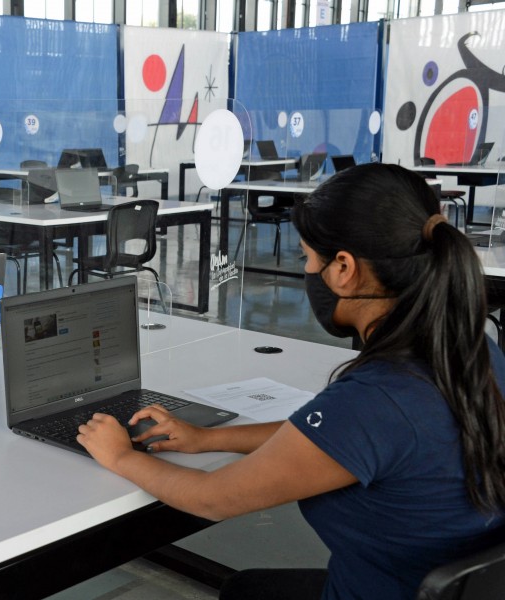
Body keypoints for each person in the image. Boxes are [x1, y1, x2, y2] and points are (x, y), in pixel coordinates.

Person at [76, 163, 505, 600]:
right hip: (429, 585)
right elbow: (324, 441)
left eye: (307, 257)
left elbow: (212, 498)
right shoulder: (474, 352)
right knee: (248, 589)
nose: (306, 270)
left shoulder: (377, 398)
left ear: (343, 268)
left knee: (245, 591)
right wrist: (205, 438)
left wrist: (120, 457)